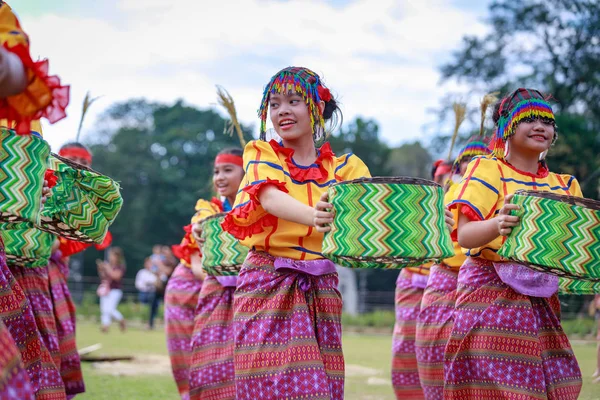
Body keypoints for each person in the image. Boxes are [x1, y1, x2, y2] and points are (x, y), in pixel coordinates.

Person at [222, 66, 372, 399]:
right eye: (274, 104)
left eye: (293, 101)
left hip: (322, 288)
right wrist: (313, 216)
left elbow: (371, 215)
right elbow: (269, 196)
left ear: (317, 109)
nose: (282, 111)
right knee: (279, 387)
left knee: (324, 387)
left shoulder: (346, 168)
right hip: (267, 284)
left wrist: (433, 224)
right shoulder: (262, 154)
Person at [445, 88, 583, 399]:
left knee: (554, 387)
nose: (540, 126)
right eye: (530, 118)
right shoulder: (488, 169)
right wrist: (497, 224)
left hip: (541, 302)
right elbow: (465, 237)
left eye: (547, 121)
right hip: (489, 296)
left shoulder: (563, 185)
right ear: (507, 126)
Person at [0, 3, 69, 398]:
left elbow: (14, 72)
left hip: (26, 259)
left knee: (30, 352)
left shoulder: (29, 127)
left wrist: (38, 194)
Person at [415, 138, 491, 399]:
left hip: (483, 283)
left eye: (482, 162)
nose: (474, 167)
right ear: (459, 168)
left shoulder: (493, 195)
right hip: (445, 279)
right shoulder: (447, 194)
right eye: (468, 162)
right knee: (433, 351)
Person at [187, 147, 245, 400]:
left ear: (248, 172)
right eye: (216, 172)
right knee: (210, 361)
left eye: (228, 170)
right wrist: (200, 226)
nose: (219, 177)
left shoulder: (261, 205)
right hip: (218, 293)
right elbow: (201, 222)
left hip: (252, 292)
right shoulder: (210, 208)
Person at [97, 247, 126, 333]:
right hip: (106, 289)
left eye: (112, 255)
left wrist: (108, 268)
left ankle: (121, 319)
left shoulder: (120, 267)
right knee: (104, 309)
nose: (110, 257)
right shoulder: (108, 265)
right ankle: (105, 325)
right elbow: (103, 277)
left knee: (109, 309)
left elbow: (116, 277)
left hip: (115, 290)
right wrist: (101, 269)